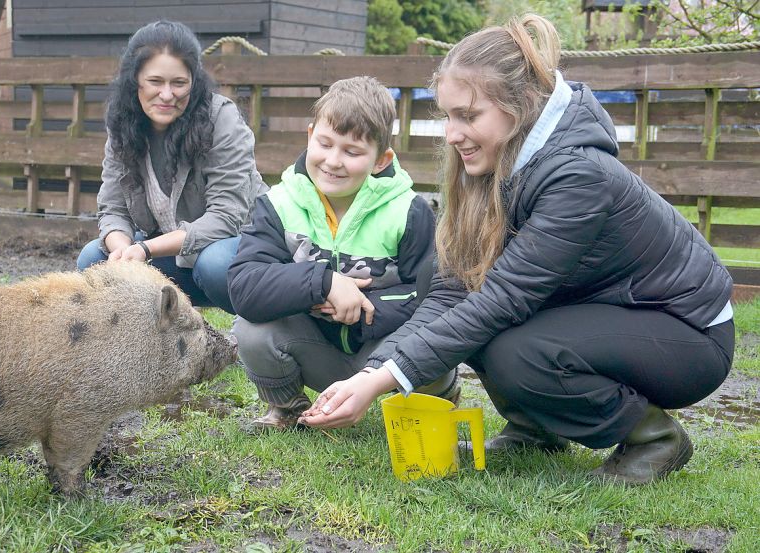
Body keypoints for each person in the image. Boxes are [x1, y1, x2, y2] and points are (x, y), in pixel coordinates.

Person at [299, 15, 734, 485]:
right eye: (447, 115)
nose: (452, 133)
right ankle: (536, 428)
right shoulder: (490, 163)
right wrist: (378, 370)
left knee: (517, 350)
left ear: (521, 105)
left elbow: (501, 300)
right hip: (602, 309)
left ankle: (654, 437)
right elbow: (451, 293)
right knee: (439, 280)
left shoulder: (578, 176)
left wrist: (382, 382)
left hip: (686, 334)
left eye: (468, 115)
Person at [227, 76, 458, 430]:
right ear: (309, 136)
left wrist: (364, 308)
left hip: (387, 354)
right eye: (325, 143)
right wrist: (324, 283)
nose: (333, 161)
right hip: (318, 349)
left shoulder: (409, 212)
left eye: (352, 151)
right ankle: (289, 408)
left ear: (381, 160)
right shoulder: (277, 203)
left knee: (434, 337)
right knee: (251, 330)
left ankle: (435, 397)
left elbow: (433, 297)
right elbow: (245, 285)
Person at [77, 20, 267, 314]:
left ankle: (260, 325)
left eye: (179, 83)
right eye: (155, 82)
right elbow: (112, 209)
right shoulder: (123, 125)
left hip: (237, 253)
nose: (167, 95)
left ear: (194, 81)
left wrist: (145, 249)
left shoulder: (221, 119)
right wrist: (123, 250)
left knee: (214, 263)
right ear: (135, 80)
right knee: (93, 259)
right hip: (172, 257)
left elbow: (226, 217)